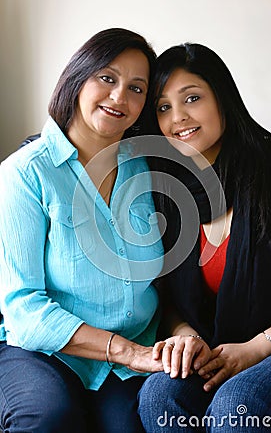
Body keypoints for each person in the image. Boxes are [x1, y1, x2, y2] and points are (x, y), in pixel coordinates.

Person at [0, 28, 165, 433]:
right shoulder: (25, 173)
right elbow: (22, 308)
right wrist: (126, 352)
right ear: (78, 77)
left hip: (134, 352)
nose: (119, 98)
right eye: (107, 78)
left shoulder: (146, 168)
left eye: (137, 88)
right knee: (49, 418)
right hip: (45, 350)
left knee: (140, 423)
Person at [138, 43, 271, 432]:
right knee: (161, 394)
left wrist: (257, 348)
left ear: (223, 99)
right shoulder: (167, 191)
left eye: (192, 98)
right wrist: (186, 337)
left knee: (238, 404)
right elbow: (168, 296)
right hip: (220, 345)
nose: (178, 118)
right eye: (163, 107)